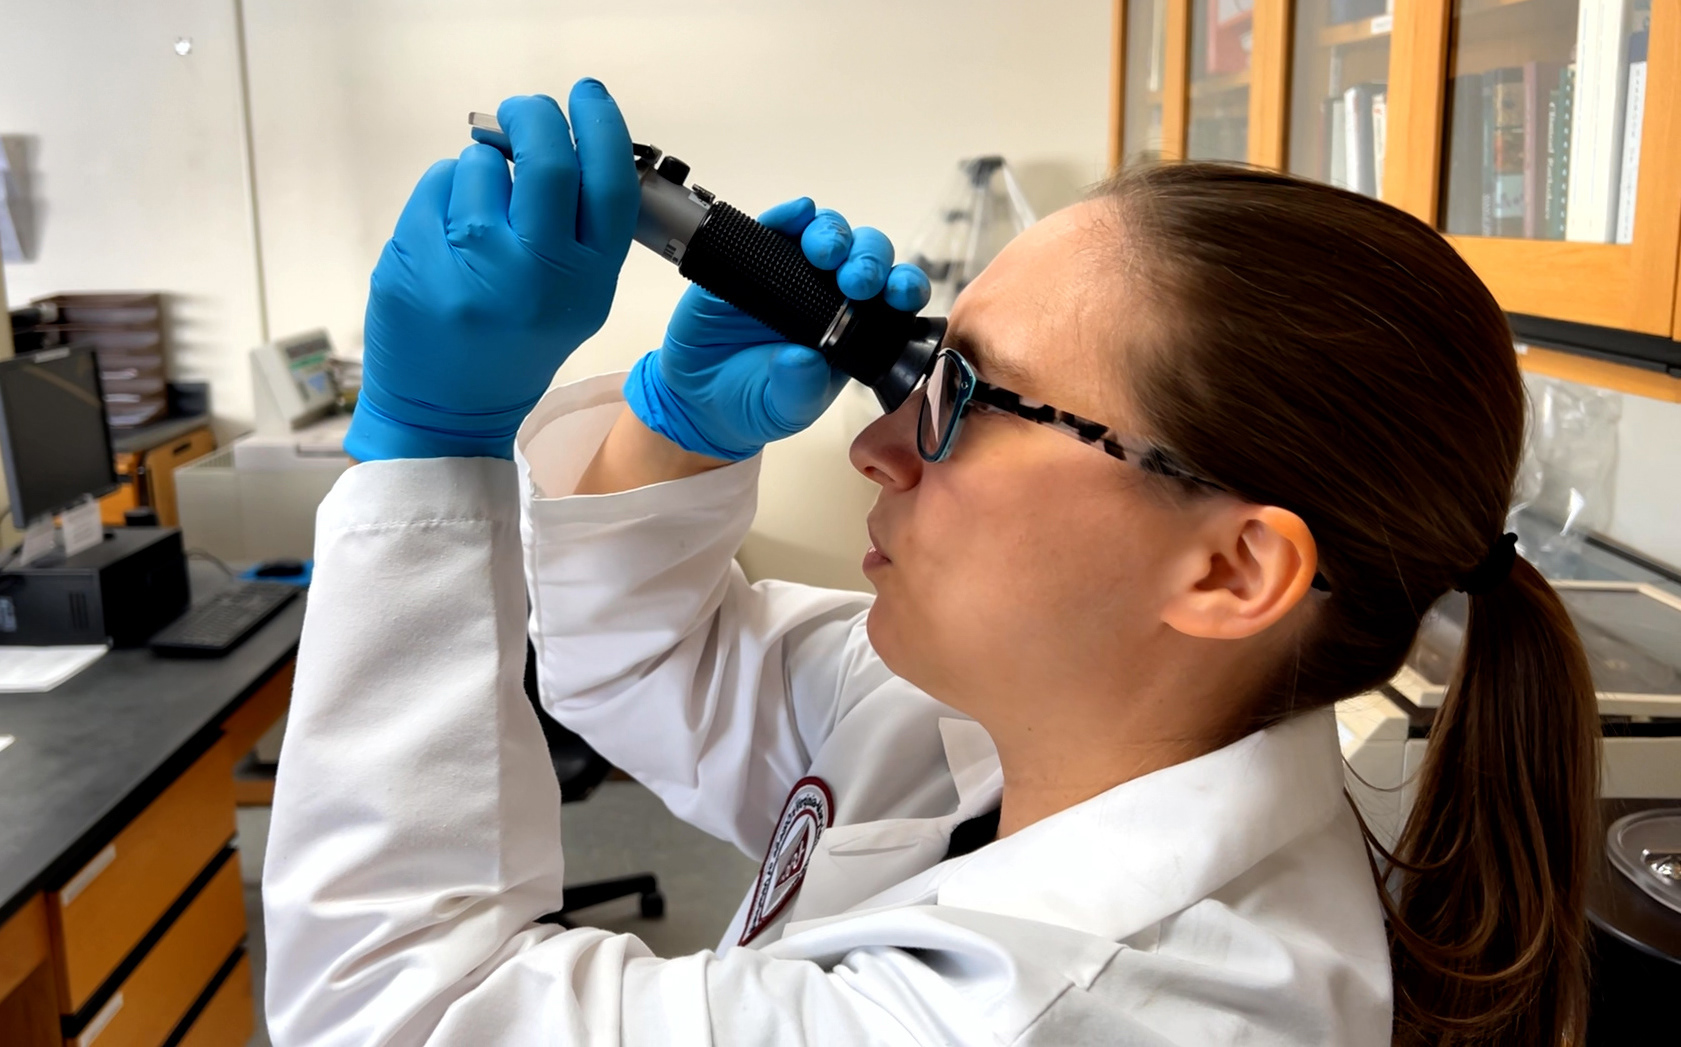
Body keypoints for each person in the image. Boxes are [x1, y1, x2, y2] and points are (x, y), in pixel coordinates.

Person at [263, 83, 1599, 1046]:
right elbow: (645, 668)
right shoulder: (1035, 719)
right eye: (923, 364)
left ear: (1230, 571)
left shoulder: (1103, 1013)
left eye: (964, 396)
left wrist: (429, 452)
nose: (877, 445)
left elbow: (392, 1011)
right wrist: (673, 428)